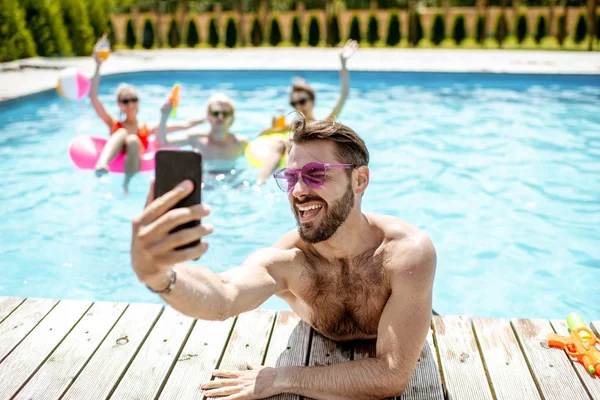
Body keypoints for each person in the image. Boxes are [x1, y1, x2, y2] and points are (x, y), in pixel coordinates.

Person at [130, 117, 437, 399]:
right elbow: (223, 295)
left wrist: (282, 378)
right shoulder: (290, 260)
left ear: (359, 181)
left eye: (315, 174)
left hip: (408, 309)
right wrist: (160, 275)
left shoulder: (405, 256)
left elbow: (391, 375)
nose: (299, 192)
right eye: (291, 178)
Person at [90, 35, 204, 193]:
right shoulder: (113, 123)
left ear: (138, 102)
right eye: (125, 100)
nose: (130, 104)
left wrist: (207, 118)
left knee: (133, 140)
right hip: (116, 154)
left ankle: (126, 185)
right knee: (123, 132)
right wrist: (97, 66)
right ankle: (102, 164)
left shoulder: (146, 128)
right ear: (119, 105)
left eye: (133, 99)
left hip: (134, 157)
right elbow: (94, 98)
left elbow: (183, 125)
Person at [255, 39, 359, 185]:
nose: (298, 106)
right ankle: (260, 183)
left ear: (312, 101)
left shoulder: (322, 124)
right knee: (280, 143)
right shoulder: (291, 125)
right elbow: (259, 136)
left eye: (302, 101)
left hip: (307, 169)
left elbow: (344, 94)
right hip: (290, 168)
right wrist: (272, 128)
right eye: (294, 103)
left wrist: (342, 63)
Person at [158, 93, 248, 174]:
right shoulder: (196, 138)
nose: (220, 117)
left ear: (232, 117)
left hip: (231, 183)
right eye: (215, 113)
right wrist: (164, 116)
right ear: (208, 115)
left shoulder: (240, 143)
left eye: (225, 113)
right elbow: (164, 142)